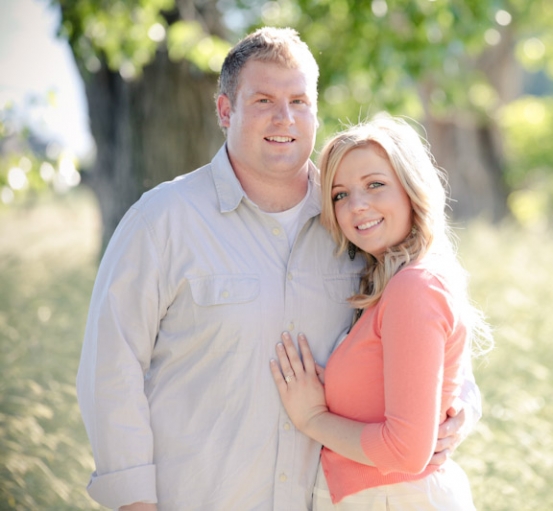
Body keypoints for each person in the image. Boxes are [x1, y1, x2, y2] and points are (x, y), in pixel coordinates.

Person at [76, 27, 481, 511]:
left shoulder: (354, 226)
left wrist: (464, 409)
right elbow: (110, 371)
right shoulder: (162, 221)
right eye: (264, 100)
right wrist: (134, 503)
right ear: (225, 111)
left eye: (299, 101)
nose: (284, 117)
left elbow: (427, 337)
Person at [270, 115, 492, 509]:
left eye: (375, 185)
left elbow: (406, 452)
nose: (357, 206)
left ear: (411, 189)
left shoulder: (414, 287)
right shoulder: (391, 283)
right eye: (340, 194)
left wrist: (313, 419)